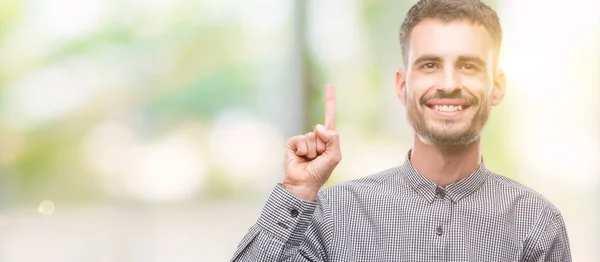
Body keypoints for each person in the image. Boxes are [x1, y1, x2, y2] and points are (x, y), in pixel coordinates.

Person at [231, 0, 571, 261]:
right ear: (402, 85)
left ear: (496, 87)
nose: (449, 84)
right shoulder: (332, 215)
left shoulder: (536, 224)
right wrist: (297, 191)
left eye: (468, 66)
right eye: (429, 65)